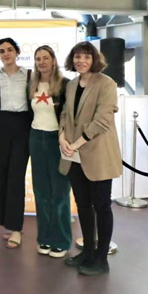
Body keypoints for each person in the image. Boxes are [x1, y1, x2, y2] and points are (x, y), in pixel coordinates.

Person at [59, 41, 121, 276]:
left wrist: (76, 143)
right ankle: (87, 251)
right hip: (74, 155)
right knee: (83, 205)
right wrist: (62, 138)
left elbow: (102, 120)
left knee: (102, 206)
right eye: (77, 56)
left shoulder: (107, 84)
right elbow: (65, 115)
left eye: (86, 56)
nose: (81, 61)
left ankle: (101, 259)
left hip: (98, 154)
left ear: (94, 59)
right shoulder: (71, 84)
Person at [28, 45, 71, 258]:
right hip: (36, 138)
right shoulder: (32, 85)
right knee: (41, 191)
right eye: (38, 59)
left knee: (60, 192)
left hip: (57, 140)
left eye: (45, 58)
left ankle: (61, 240)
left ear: (53, 60)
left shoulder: (65, 85)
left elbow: (70, 115)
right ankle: (44, 238)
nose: (42, 62)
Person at [0, 37, 31, 249]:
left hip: (22, 126)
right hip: (0, 128)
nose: (6, 53)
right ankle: (7, 223)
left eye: (9, 49)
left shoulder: (29, 76)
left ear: (17, 52)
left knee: (16, 177)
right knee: (2, 175)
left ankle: (16, 227)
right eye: (1, 51)